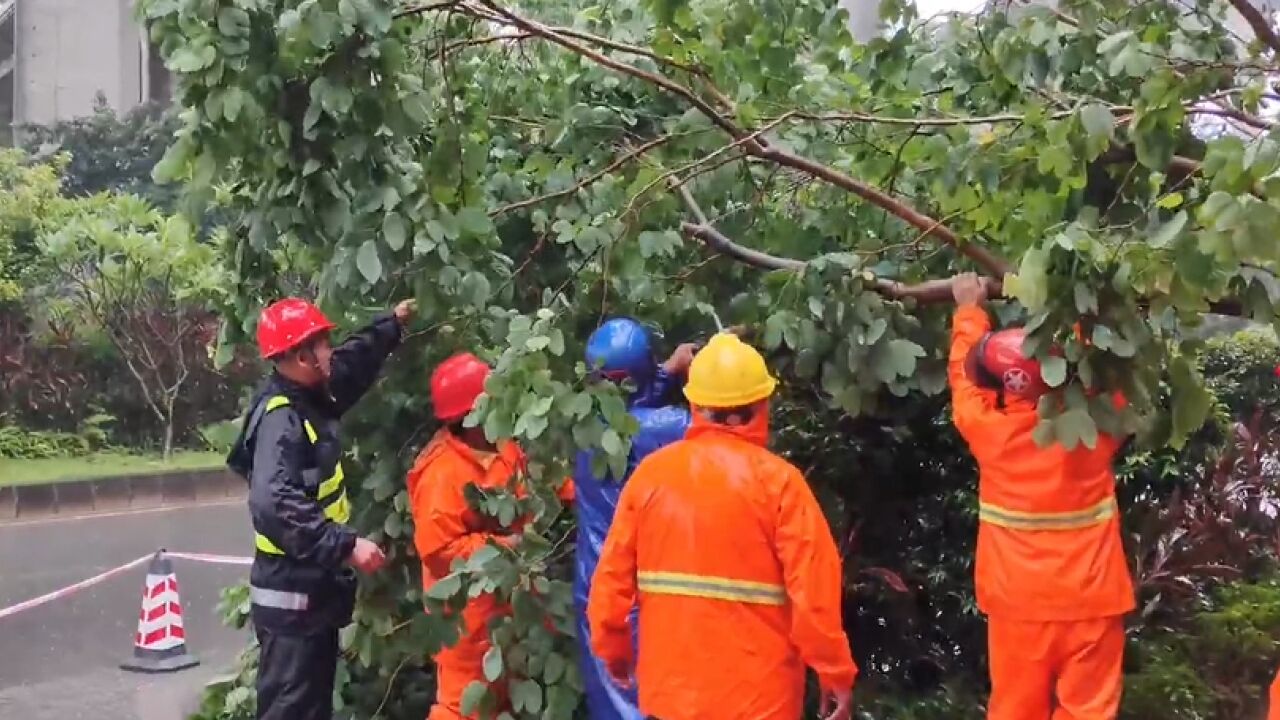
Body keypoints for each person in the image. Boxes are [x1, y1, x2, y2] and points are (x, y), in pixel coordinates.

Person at [588, 332, 857, 720]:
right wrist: (835, 673)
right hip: (762, 703)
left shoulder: (652, 477)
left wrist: (613, 652)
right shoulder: (781, 484)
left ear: (695, 404)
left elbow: (610, 583)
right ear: (762, 404)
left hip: (671, 700)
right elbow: (814, 595)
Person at [947, 273, 1135, 720]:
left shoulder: (988, 431)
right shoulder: (1095, 424)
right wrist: (1077, 301)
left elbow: (963, 379)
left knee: (1015, 711)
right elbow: (1110, 370)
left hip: (1018, 607)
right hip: (1093, 600)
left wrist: (969, 311)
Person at [227, 296, 415, 720]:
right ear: (300, 355)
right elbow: (274, 503)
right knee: (292, 711)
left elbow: (347, 368)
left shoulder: (309, 394)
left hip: (308, 597)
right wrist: (344, 545)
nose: (330, 350)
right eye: (323, 343)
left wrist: (391, 326)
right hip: (291, 601)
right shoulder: (282, 419)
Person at [407, 352, 574, 720]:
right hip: (468, 619)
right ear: (469, 415)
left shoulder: (502, 445)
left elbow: (537, 485)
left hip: (514, 606)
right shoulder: (442, 473)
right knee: (464, 707)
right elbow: (440, 551)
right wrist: (507, 547)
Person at [574, 317, 697, 720]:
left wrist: (668, 373)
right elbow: (722, 426)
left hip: (596, 591)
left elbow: (627, 409)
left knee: (611, 704)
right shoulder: (669, 430)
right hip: (647, 593)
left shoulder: (583, 430)